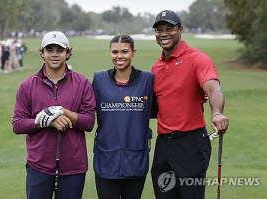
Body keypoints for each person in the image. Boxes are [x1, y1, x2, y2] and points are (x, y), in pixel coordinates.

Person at [150, 10, 229, 199]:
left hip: (191, 143)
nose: (164, 34)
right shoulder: (156, 67)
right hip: (164, 145)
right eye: (159, 30)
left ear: (180, 29)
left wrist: (216, 112)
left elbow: (213, 88)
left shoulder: (198, 59)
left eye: (169, 29)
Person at [12, 30, 96, 199]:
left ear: (68, 53)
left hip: (73, 167)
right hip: (39, 166)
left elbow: (88, 123)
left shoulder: (82, 83)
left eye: (60, 50)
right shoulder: (27, 85)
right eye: (50, 50)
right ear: (42, 53)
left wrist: (63, 112)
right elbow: (17, 124)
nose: (55, 54)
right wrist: (44, 121)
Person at [92, 34, 154, 199]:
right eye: (115, 52)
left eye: (124, 51)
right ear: (110, 53)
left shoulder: (148, 80)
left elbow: (161, 107)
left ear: (134, 52)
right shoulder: (99, 79)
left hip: (136, 159)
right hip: (106, 159)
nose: (119, 56)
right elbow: (85, 107)